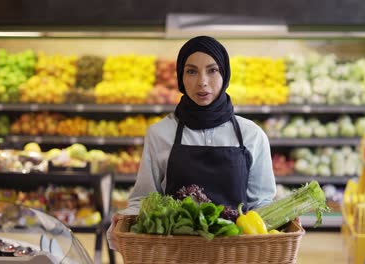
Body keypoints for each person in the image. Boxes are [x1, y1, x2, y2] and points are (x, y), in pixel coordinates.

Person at [107, 36, 276, 250]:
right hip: (176, 253)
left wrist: (281, 219)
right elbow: (144, 198)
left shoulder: (252, 135)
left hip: (235, 252)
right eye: (191, 71)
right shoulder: (160, 133)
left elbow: (260, 203)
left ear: (225, 74)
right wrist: (125, 219)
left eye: (212, 70)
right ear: (180, 77)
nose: (202, 82)